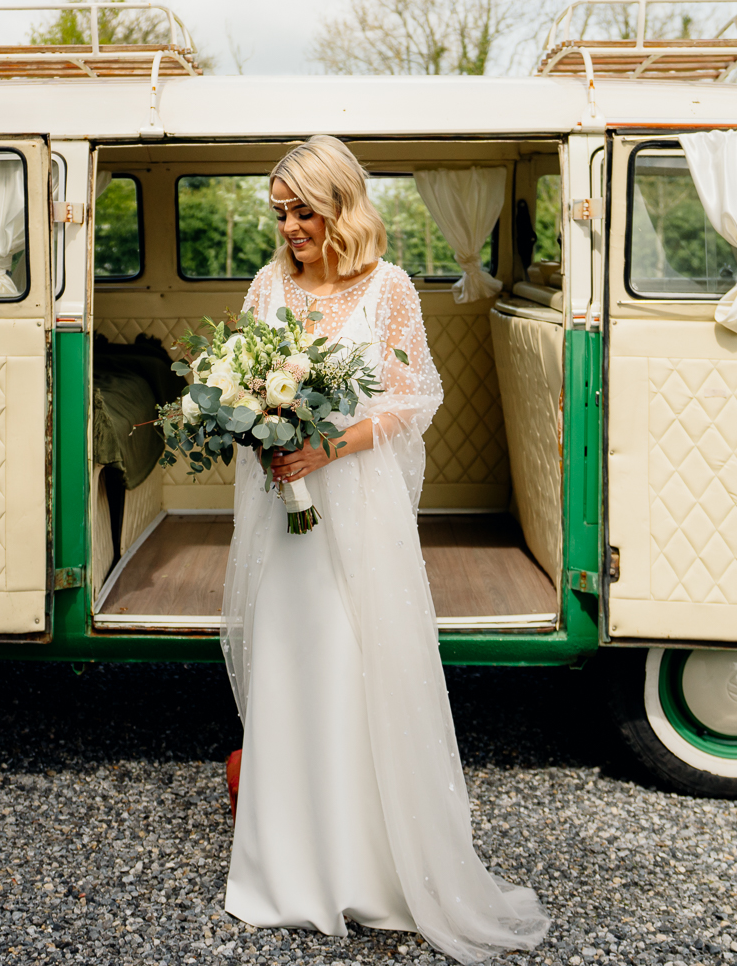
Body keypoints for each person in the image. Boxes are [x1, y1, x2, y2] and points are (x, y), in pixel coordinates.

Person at [221, 136, 549, 963]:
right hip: (284, 506)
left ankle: (374, 869)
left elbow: (416, 396)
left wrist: (328, 447)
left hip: (357, 502)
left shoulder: (389, 288)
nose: (290, 226)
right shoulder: (269, 287)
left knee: (356, 663)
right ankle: (288, 870)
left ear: (342, 206)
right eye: (280, 212)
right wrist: (262, 436)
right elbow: (242, 385)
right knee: (293, 664)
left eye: (303, 211)